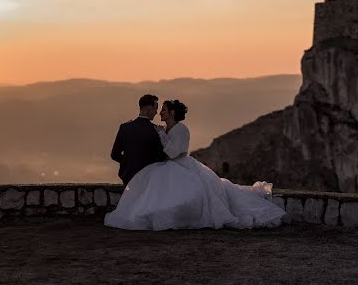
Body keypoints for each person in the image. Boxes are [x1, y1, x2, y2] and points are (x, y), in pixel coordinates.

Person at [104, 99, 285, 230]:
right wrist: (162, 134)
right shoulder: (166, 129)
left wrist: (161, 136)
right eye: (159, 110)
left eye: (164, 110)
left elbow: (174, 152)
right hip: (167, 166)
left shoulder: (181, 129)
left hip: (179, 165)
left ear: (172, 113)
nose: (160, 114)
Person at [109, 94, 168, 186]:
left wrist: (128, 162)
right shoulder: (156, 131)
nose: (156, 112)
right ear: (149, 109)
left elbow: (114, 155)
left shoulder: (125, 128)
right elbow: (161, 158)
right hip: (148, 179)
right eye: (155, 109)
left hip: (128, 178)